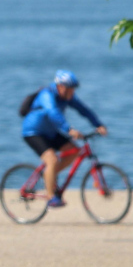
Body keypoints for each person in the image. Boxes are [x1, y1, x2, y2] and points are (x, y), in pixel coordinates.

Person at [21, 70, 107, 207]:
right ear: (60, 87)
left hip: (50, 132)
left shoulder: (68, 97)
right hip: (33, 132)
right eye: (70, 89)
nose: (72, 92)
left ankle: (50, 175)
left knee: (74, 151)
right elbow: (53, 112)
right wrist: (69, 129)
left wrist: (99, 124)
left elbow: (83, 110)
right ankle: (51, 197)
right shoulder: (46, 95)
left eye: (73, 89)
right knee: (52, 160)